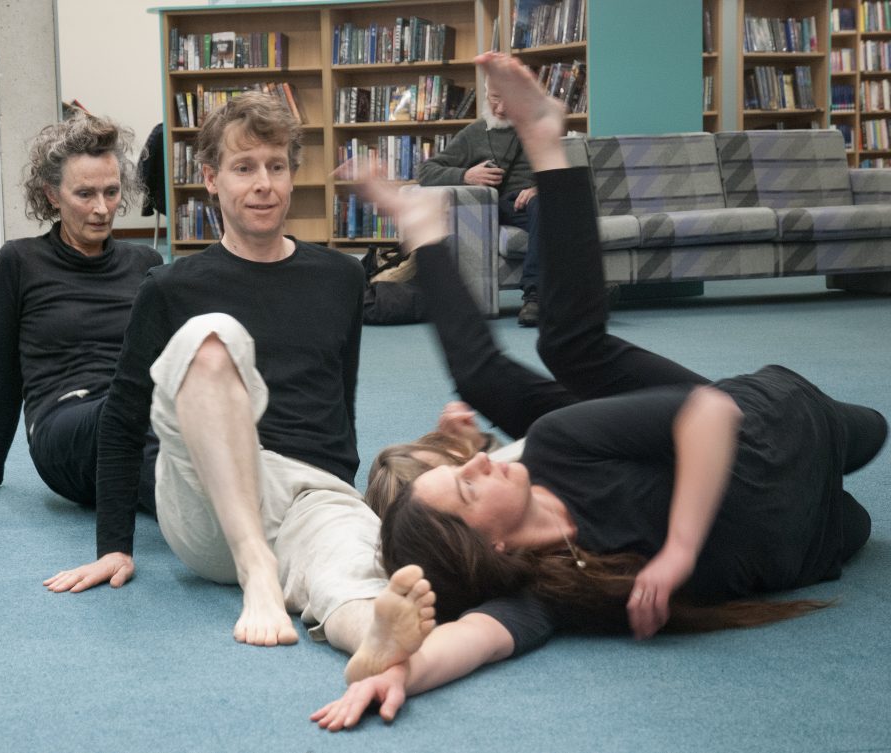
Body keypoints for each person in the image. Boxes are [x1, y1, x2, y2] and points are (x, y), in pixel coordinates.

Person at [312, 53, 887, 731]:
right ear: (492, 549)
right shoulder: (545, 586)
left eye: (460, 468)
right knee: (866, 530)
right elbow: (476, 639)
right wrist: (399, 671)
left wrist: (677, 551)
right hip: (803, 542)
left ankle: (545, 145)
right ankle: (435, 226)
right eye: (466, 485)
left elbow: (709, 412)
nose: (480, 461)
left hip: (777, 428)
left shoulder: (553, 448)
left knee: (873, 430)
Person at [42, 92, 441, 659]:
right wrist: (115, 546)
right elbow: (123, 421)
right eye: (244, 168)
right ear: (210, 178)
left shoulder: (340, 278)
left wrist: (338, 498)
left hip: (308, 494)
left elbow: (337, 401)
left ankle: (375, 639)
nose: (264, 184)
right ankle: (258, 570)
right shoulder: (171, 287)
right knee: (214, 336)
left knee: (353, 575)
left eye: (276, 167)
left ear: (292, 175)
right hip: (206, 504)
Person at [0, 115, 161, 514]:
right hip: (64, 425)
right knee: (135, 419)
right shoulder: (20, 261)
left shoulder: (146, 262)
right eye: (85, 194)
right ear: (52, 194)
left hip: (141, 414)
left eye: (112, 192)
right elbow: (6, 373)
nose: (102, 208)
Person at [416, 75, 541, 326]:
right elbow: (426, 171)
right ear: (486, 94)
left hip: (539, 201)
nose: (502, 108)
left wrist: (540, 187)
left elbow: (561, 171)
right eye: (495, 98)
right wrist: (465, 175)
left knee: (562, 208)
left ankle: (580, 290)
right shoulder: (474, 133)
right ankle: (535, 296)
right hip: (503, 202)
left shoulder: (538, 128)